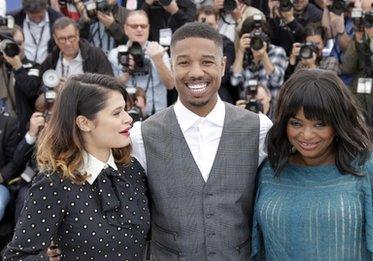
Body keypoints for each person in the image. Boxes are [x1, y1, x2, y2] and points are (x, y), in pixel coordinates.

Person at [252, 69, 373, 260]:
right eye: (296, 123)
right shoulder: (269, 171)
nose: (306, 135)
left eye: (319, 124)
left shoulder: (372, 169)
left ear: (338, 124)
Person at [130, 22, 273, 259]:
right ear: (171, 66)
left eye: (207, 62)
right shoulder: (142, 136)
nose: (196, 72)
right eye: (184, 62)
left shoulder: (258, 128)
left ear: (223, 65)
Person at [3, 73, 150, 260]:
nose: (128, 119)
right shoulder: (53, 184)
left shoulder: (132, 169)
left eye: (125, 110)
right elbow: (17, 256)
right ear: (84, 123)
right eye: (116, 113)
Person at [108, 10, 174, 115]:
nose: (139, 29)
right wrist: (126, 74)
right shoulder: (116, 54)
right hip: (127, 115)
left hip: (157, 114)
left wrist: (158, 60)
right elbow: (108, 90)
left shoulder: (158, 50)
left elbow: (170, 85)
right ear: (125, 29)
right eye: (134, 26)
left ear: (148, 28)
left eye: (143, 26)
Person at [41, 17, 114, 80]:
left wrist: (73, 88)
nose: (68, 43)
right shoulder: (51, 60)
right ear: (55, 39)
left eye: (71, 37)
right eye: (62, 39)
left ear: (78, 34)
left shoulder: (95, 55)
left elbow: (109, 86)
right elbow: (40, 89)